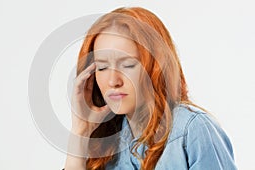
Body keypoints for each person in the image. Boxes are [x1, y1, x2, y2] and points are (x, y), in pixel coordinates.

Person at [64, 7, 237, 170]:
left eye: (128, 65)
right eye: (102, 67)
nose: (113, 81)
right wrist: (80, 131)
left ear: (156, 67)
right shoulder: (108, 137)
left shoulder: (192, 129)